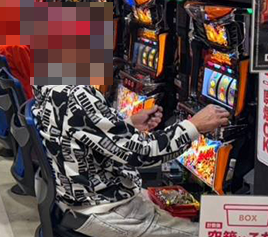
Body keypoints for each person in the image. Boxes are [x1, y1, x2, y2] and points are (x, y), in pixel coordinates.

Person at [33, 85, 231, 237]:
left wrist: (126, 125)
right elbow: (143, 154)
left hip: (81, 198)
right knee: (208, 232)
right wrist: (195, 125)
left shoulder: (50, 86)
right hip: (104, 209)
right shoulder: (76, 94)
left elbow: (78, 133)